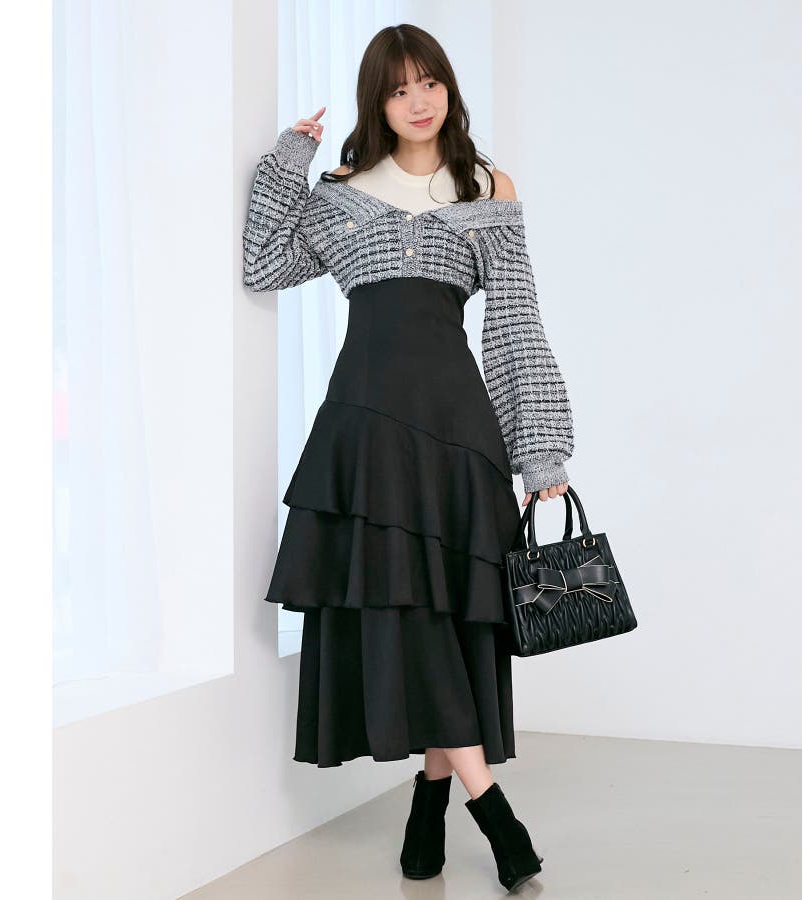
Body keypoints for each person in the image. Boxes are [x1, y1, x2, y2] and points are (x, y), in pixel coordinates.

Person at [242, 23, 574, 893]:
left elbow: (516, 322)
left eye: (429, 82)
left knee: (444, 618)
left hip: (458, 431)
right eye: (398, 89)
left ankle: (431, 803)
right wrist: (288, 161)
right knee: (415, 613)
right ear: (377, 103)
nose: (418, 101)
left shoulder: (488, 188)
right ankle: (490, 811)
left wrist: (541, 451)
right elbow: (263, 264)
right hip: (366, 430)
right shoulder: (342, 194)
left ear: (448, 89)